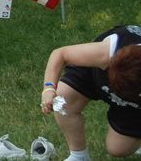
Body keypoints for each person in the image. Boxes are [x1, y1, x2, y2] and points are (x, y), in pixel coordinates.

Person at [40, 26, 141, 160]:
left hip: (133, 100)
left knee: (117, 149)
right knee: (62, 99)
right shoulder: (107, 51)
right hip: (96, 73)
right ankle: (78, 156)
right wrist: (48, 88)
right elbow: (60, 54)